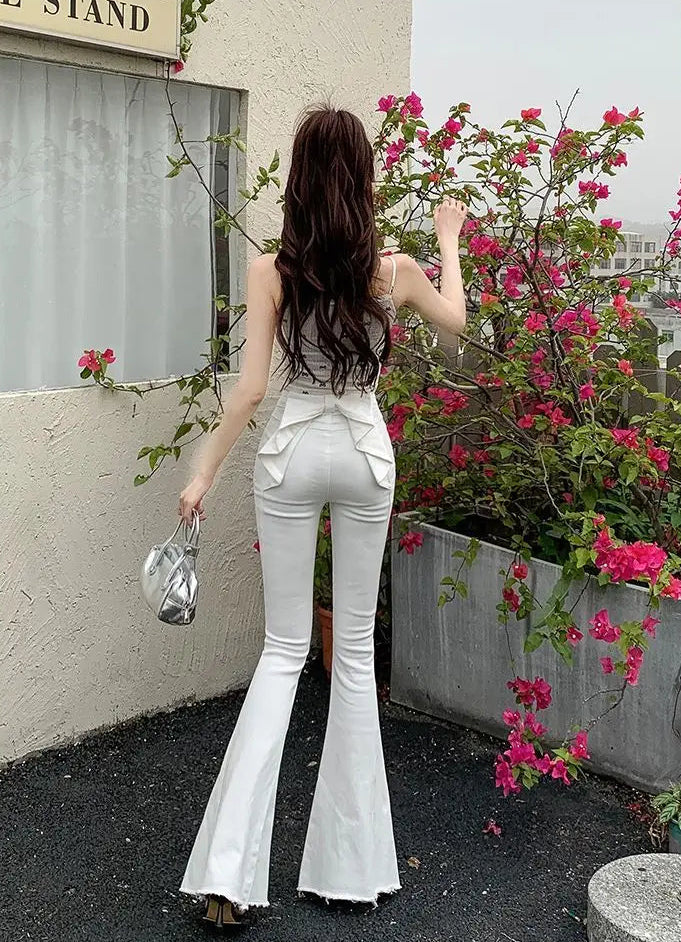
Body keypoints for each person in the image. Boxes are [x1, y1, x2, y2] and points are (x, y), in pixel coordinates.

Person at [177, 105, 467, 927]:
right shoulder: (393, 270)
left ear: (299, 180)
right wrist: (447, 240)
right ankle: (351, 869)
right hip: (364, 453)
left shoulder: (273, 269)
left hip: (292, 453)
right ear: (364, 179)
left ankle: (228, 877)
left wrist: (201, 474)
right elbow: (458, 329)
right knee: (351, 656)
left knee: (281, 652)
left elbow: (251, 391)